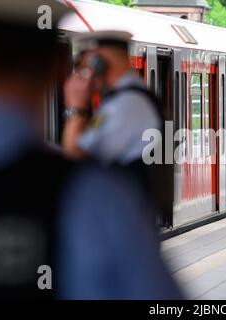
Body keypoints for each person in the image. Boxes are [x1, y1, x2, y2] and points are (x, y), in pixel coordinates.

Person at [0, 0, 180, 300]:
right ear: (52, 67)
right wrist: (77, 106)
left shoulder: (128, 105)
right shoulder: (92, 195)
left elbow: (75, 148)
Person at [62, 31, 170, 225]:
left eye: (85, 66)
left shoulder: (126, 105)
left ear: (99, 62)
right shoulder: (129, 99)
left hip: (125, 220)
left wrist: (76, 108)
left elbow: (76, 155)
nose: (83, 73)